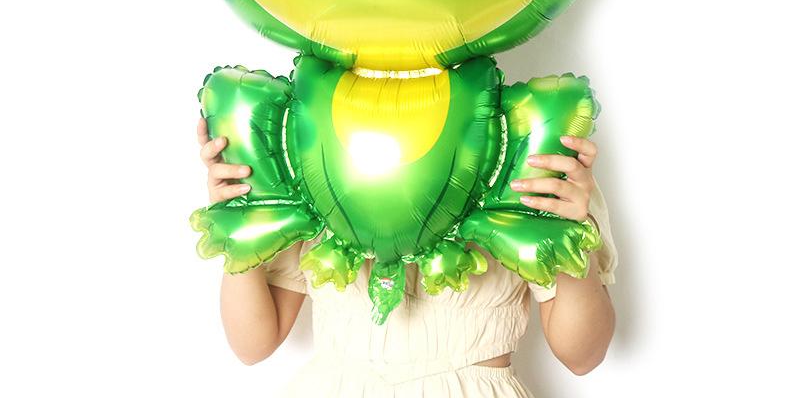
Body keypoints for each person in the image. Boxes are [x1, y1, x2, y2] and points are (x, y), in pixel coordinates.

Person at [197, 117, 617, 397]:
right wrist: (237, 223)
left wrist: (570, 234)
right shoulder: (305, 145)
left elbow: (582, 356)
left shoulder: (529, 143)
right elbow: (252, 345)